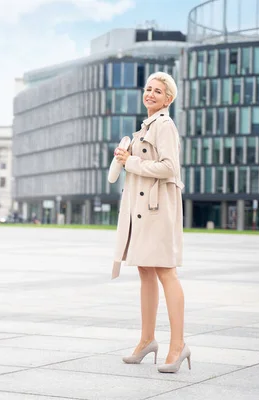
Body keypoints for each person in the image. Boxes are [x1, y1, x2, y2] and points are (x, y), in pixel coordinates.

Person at [107, 71, 190, 373]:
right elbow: (138, 167)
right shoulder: (144, 129)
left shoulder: (164, 125)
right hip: (143, 211)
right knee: (145, 272)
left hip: (158, 210)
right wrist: (125, 156)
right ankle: (147, 340)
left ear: (169, 98)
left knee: (167, 272)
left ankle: (178, 346)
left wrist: (132, 162)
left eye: (158, 91)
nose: (151, 94)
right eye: (148, 89)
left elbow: (170, 168)